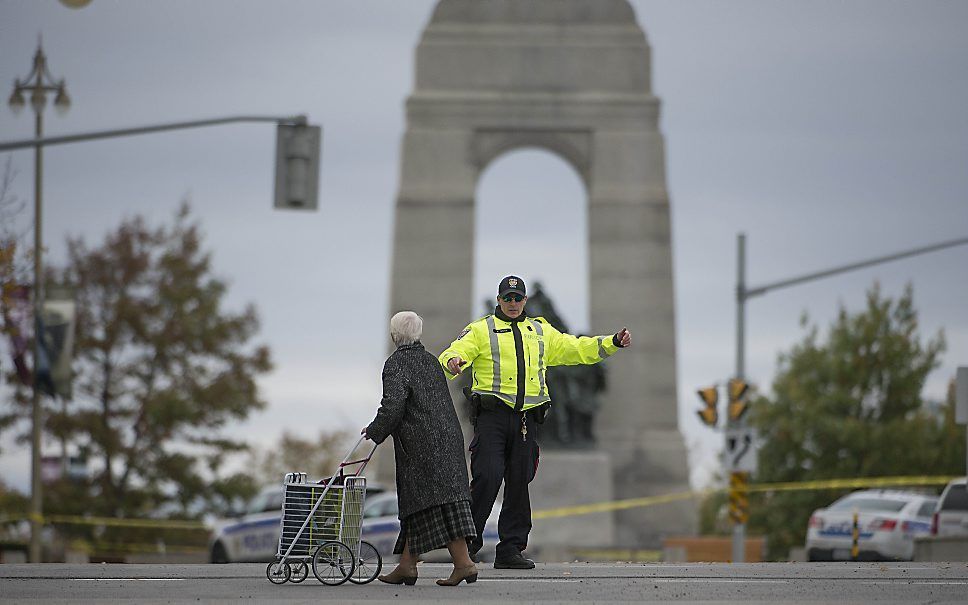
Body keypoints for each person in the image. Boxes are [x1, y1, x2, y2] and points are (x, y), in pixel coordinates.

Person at [439, 276, 631, 569]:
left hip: (527, 420)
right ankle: (468, 546)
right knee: (487, 477)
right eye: (508, 298)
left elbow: (576, 348)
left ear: (525, 300)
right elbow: (456, 350)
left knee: (519, 482)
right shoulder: (481, 329)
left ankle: (510, 550)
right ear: (499, 300)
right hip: (492, 418)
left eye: (518, 298)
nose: (513, 304)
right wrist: (453, 361)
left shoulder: (541, 331)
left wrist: (612, 343)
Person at [363, 311, 479, 587]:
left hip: (421, 446)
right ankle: (407, 566)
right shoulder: (431, 361)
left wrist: (375, 430)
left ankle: (464, 564)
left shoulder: (395, 364)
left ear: (393, 336)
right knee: (431, 504)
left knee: (434, 503)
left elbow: (393, 406)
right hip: (448, 441)